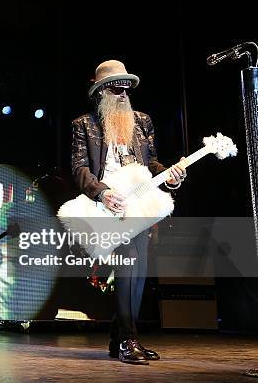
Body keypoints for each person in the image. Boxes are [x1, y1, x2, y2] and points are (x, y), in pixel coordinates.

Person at [70, 60, 186, 365]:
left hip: (139, 202)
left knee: (140, 271)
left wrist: (170, 174)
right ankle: (128, 339)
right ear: (101, 90)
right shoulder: (84, 124)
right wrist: (103, 193)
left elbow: (152, 164)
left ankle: (119, 339)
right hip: (107, 202)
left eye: (126, 87)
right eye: (115, 86)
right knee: (127, 265)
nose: (123, 92)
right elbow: (80, 168)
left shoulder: (142, 121)